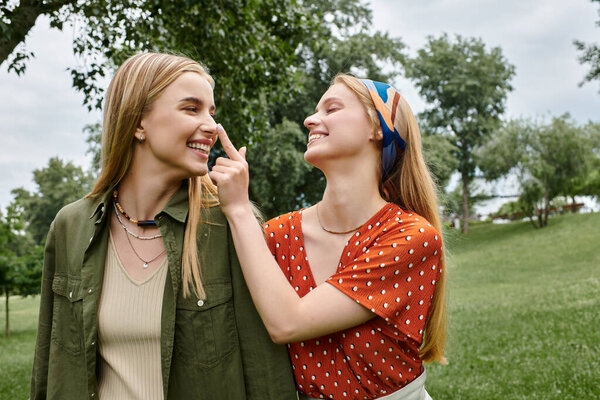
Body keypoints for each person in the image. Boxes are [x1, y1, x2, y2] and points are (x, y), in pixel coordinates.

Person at [30, 52, 296, 400]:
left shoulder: (232, 223)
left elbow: (266, 374)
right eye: (191, 108)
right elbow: (49, 363)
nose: (212, 127)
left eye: (212, 113)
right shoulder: (71, 226)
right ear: (139, 123)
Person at [210, 74, 447, 400]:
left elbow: (287, 323)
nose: (310, 119)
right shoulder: (278, 235)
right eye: (315, 111)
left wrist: (238, 209)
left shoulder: (411, 237)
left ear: (377, 129)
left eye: (331, 108)